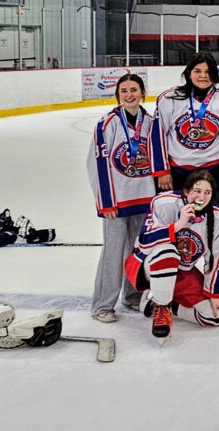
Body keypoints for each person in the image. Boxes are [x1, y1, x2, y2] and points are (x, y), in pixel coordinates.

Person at [86, 74, 161, 322]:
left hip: (144, 198)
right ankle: (102, 304)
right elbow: (97, 164)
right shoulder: (107, 124)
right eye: (124, 91)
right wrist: (106, 202)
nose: (129, 94)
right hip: (117, 202)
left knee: (138, 251)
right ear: (117, 95)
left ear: (142, 93)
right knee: (113, 252)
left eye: (134, 89)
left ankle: (133, 296)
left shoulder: (150, 122)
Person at [125, 170, 219, 339]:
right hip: (147, 266)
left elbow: (216, 260)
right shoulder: (163, 203)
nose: (201, 196)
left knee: (215, 316)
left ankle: (162, 303)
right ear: (186, 191)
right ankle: (161, 307)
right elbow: (144, 242)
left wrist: (214, 294)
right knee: (168, 252)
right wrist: (178, 225)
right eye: (197, 191)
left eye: (207, 192)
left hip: (182, 272)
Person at [153, 52, 219, 208]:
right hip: (177, 173)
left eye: (208, 72)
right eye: (198, 71)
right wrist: (162, 171)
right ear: (189, 73)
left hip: (215, 171)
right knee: (179, 221)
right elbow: (158, 136)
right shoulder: (169, 98)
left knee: (216, 221)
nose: (203, 76)